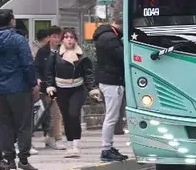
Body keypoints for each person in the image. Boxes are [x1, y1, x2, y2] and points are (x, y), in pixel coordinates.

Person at [0, 8, 38, 170]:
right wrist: (32, 83)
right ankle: (23, 159)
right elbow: (27, 63)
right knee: (23, 125)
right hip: (19, 86)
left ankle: (9, 161)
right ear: (12, 20)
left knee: (4, 125)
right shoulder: (18, 40)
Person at [45, 29, 99, 158]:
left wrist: (92, 89)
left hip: (78, 88)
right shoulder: (55, 55)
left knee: (74, 114)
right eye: (66, 37)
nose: (69, 39)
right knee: (66, 117)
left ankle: (76, 145)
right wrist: (51, 88)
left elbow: (88, 74)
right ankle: (70, 145)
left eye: (71, 37)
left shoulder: (82, 56)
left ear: (75, 40)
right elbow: (49, 73)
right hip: (61, 89)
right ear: (62, 39)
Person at [93, 20, 129, 161]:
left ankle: (108, 147)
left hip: (109, 80)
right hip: (112, 81)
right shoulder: (110, 38)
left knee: (112, 116)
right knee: (111, 117)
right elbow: (122, 56)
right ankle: (106, 149)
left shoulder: (105, 36)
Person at [34, 27, 66, 150]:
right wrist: (38, 79)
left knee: (55, 112)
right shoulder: (43, 52)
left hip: (58, 87)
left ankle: (54, 138)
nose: (56, 39)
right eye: (54, 36)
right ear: (48, 38)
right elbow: (36, 67)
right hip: (45, 87)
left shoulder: (62, 51)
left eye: (58, 37)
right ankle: (53, 138)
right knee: (48, 113)